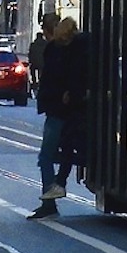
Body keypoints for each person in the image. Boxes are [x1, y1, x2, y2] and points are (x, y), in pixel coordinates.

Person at [29, 16, 87, 219]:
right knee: (67, 149)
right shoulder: (78, 49)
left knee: (46, 155)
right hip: (70, 109)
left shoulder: (56, 51)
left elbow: (51, 78)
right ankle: (56, 187)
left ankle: (50, 196)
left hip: (57, 109)